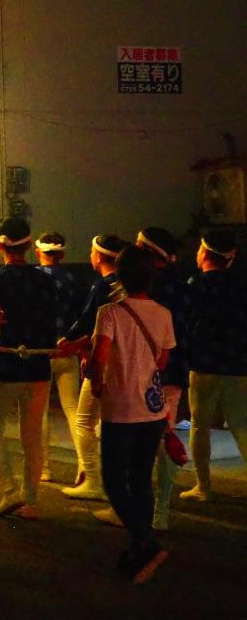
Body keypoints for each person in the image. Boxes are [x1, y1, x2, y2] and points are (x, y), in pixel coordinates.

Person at [87, 245, 173, 583]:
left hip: (121, 407)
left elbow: (100, 356)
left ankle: (146, 541)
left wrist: (96, 381)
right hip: (151, 410)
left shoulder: (110, 312)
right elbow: (163, 361)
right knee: (140, 478)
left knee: (114, 480)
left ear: (120, 275)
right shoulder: (163, 314)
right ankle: (140, 541)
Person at [0, 217, 59, 520]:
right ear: (28, 244)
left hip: (6, 362)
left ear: (0, 244)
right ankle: (31, 500)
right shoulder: (44, 280)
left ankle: (10, 491)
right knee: (32, 435)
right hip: (39, 364)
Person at [60, 234, 128, 502]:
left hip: (103, 359)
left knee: (85, 421)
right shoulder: (127, 285)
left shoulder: (102, 286)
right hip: (126, 361)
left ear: (99, 256)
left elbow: (88, 321)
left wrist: (67, 341)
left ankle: (94, 480)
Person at [182, 231, 247, 501]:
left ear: (206, 254)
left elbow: (186, 322)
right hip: (238, 364)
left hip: (204, 362)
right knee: (241, 425)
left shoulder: (195, 284)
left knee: (200, 424)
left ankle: (203, 485)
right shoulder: (241, 285)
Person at [135, 226, 190, 531]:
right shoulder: (183, 287)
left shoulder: (143, 286)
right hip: (173, 372)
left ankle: (135, 508)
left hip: (142, 372)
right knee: (165, 436)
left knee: (139, 440)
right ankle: (162, 511)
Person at [35, 231, 84, 482]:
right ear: (62, 254)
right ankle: (85, 465)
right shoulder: (72, 279)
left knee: (39, 411)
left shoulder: (32, 278)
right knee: (73, 408)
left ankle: (44, 469)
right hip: (67, 348)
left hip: (40, 351)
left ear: (38, 251)